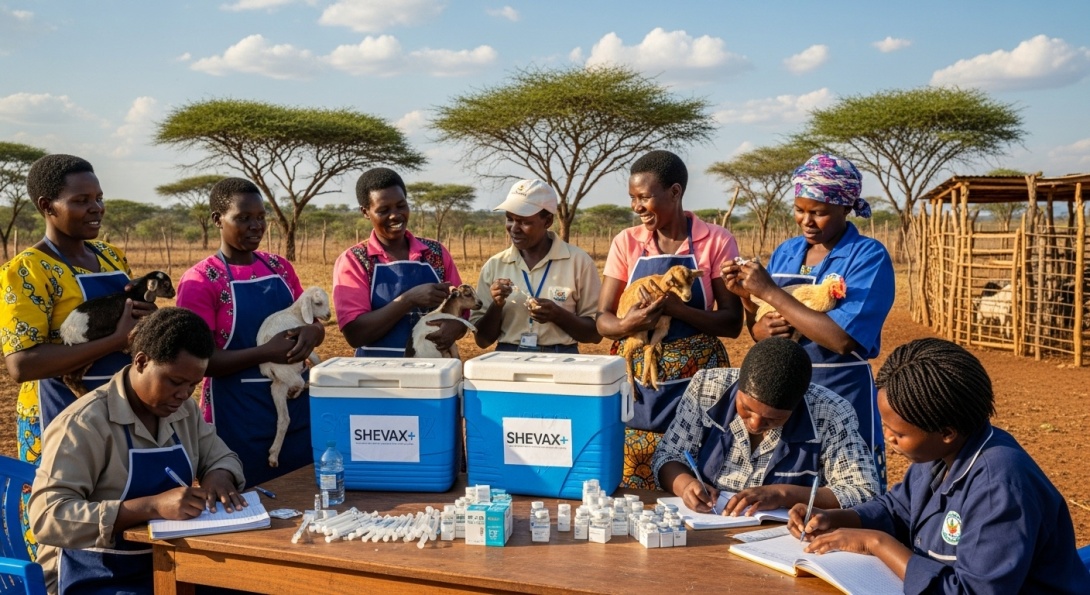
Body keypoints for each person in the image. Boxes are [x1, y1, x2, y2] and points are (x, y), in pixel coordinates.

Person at [789, 338, 1090, 593]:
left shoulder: (998, 487)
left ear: (946, 432)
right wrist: (839, 517)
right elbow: (897, 510)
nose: (889, 439)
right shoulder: (937, 454)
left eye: (900, 433)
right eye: (886, 427)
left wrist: (876, 543)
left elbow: (971, 591)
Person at [29, 307, 246, 594]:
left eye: (193, 385)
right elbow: (48, 516)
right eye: (176, 382)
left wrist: (219, 476)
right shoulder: (84, 424)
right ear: (141, 362)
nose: (184, 394)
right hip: (96, 574)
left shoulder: (183, 411)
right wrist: (151, 507)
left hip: (169, 563)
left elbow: (221, 456)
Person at [722, 153, 894, 489]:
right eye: (800, 210)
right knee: (785, 494)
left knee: (846, 491)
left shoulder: (868, 256)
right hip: (783, 401)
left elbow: (843, 338)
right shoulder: (787, 251)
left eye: (819, 212)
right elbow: (760, 327)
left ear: (846, 208)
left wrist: (771, 292)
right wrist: (749, 304)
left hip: (842, 393)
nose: (806, 221)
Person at [596, 150, 744, 489]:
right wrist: (627, 326)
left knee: (696, 478)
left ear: (675, 192)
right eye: (633, 198)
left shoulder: (716, 242)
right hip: (639, 383)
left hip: (699, 383)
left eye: (645, 197)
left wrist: (677, 311)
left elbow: (732, 322)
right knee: (633, 480)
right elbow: (601, 320)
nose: (637, 207)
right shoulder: (627, 243)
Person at [175, 177, 324, 486]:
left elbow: (308, 319)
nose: (256, 225)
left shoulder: (279, 267)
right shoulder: (202, 280)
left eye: (260, 217)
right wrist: (266, 351)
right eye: (243, 218)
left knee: (303, 494)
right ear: (217, 220)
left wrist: (315, 333)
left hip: (295, 406)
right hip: (237, 417)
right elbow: (198, 361)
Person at [653, 337, 878, 515]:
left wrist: (783, 494)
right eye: (746, 408)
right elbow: (668, 455)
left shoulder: (830, 413)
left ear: (799, 403)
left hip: (783, 540)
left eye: (773, 419)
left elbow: (864, 492)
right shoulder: (707, 388)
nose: (755, 424)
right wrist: (685, 485)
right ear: (738, 386)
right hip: (707, 530)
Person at [333, 167, 465, 357]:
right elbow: (355, 334)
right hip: (378, 375)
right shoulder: (355, 260)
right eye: (383, 210)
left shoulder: (435, 253)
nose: (395, 215)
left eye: (401, 205)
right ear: (365, 212)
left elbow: (463, 311)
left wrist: (456, 326)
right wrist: (408, 300)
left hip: (435, 371)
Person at [471, 179, 601, 353]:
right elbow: (482, 340)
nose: (514, 228)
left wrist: (557, 315)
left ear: (547, 221)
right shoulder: (495, 265)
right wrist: (497, 304)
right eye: (509, 219)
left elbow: (594, 334)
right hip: (508, 357)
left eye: (524, 222)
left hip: (561, 358)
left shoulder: (578, 262)